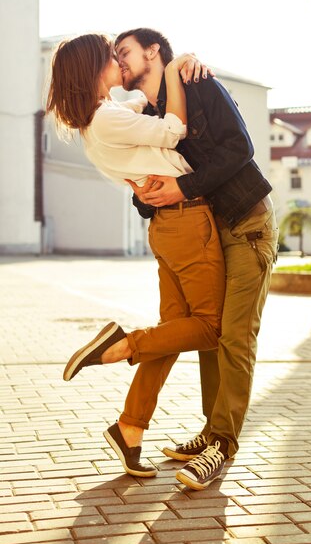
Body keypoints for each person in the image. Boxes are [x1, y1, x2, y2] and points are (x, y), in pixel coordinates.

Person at [46, 33, 225, 478]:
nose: (116, 61)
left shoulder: (103, 117)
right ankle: (121, 345)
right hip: (186, 220)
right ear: (92, 70)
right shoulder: (105, 119)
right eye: (110, 56)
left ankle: (130, 426)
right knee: (210, 326)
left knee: (175, 332)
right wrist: (169, 69)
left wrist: (181, 62)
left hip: (169, 226)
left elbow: (148, 108)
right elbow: (174, 128)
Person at [114, 28, 279, 491]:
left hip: (246, 222)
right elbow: (155, 188)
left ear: (153, 52)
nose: (119, 61)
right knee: (211, 332)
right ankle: (212, 433)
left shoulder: (198, 82)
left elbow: (239, 149)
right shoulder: (148, 116)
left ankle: (222, 445)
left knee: (235, 337)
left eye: (123, 52)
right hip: (206, 233)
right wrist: (147, 197)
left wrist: (183, 188)